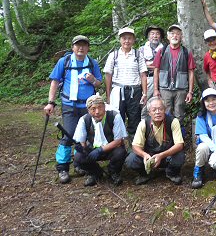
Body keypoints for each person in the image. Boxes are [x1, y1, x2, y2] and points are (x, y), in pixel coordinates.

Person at [44, 35, 102, 184]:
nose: (80, 48)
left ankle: (79, 163)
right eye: (78, 45)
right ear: (73, 47)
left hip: (88, 106)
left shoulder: (92, 63)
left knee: (85, 136)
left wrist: (92, 80)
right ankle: (62, 168)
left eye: (84, 45)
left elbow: (99, 84)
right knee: (68, 135)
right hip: (69, 105)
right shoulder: (64, 61)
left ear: (88, 48)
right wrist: (51, 102)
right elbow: (55, 82)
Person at [125, 97, 185, 185]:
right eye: (154, 110)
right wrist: (144, 155)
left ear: (165, 110)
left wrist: (161, 155)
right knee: (131, 160)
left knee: (180, 156)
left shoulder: (173, 121)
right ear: (149, 113)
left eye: (160, 109)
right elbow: (135, 146)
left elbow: (179, 145)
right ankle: (145, 174)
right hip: (150, 156)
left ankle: (171, 173)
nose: (158, 112)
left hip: (167, 156)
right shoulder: (143, 123)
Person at [72, 95, 128, 187]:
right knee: (79, 157)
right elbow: (82, 142)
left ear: (104, 107)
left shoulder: (114, 116)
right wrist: (82, 148)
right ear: (88, 110)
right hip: (92, 149)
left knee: (120, 152)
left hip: (111, 148)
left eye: (100, 108)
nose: (97, 112)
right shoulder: (84, 120)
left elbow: (119, 141)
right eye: (93, 109)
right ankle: (95, 173)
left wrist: (100, 150)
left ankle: (113, 172)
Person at [104, 27, 148, 141]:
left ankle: (134, 145)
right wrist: (108, 95)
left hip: (135, 90)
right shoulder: (113, 56)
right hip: (118, 90)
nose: (127, 41)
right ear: (120, 40)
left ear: (133, 40)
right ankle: (118, 144)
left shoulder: (138, 55)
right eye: (124, 38)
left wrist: (145, 93)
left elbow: (143, 74)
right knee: (117, 117)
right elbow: (108, 75)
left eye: (129, 38)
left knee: (135, 118)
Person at [152, 24, 196, 127]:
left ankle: (178, 139)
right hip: (165, 89)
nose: (175, 36)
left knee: (179, 115)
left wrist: (190, 91)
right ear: (168, 36)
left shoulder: (186, 52)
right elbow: (156, 70)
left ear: (181, 37)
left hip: (181, 90)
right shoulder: (162, 51)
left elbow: (191, 72)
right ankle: (167, 139)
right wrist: (155, 89)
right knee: (165, 113)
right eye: (172, 33)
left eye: (177, 34)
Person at [139, 25, 165, 101]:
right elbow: (140, 66)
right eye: (152, 33)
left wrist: (149, 65)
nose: (155, 36)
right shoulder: (142, 49)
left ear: (160, 36)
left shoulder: (165, 49)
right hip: (147, 79)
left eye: (157, 34)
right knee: (146, 103)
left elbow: (165, 66)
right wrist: (156, 66)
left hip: (162, 80)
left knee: (162, 103)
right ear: (148, 36)